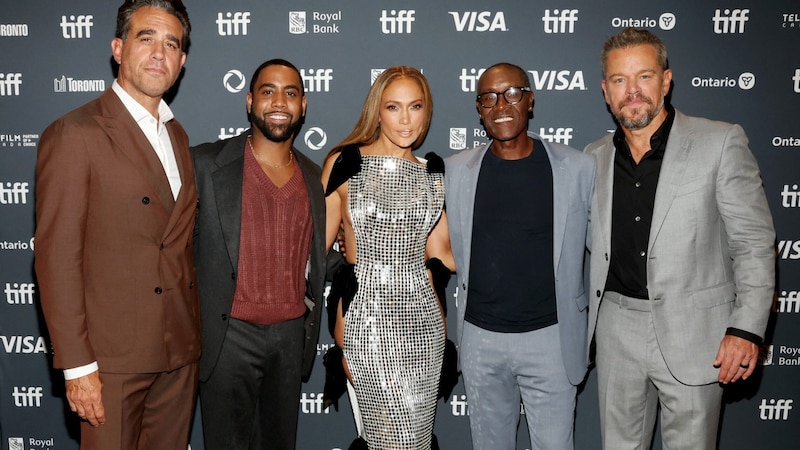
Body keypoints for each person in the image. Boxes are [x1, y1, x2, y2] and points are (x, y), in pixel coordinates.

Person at [585, 27, 776, 450]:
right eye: (620, 80)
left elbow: (753, 244)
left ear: (666, 80)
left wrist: (746, 329)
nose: (632, 91)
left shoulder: (720, 142)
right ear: (605, 91)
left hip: (697, 331)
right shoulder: (592, 157)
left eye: (644, 76)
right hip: (616, 327)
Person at [34, 1, 197, 449]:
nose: (159, 53)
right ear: (118, 48)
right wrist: (77, 367)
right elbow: (56, 257)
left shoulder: (177, 135)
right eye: (146, 38)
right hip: (110, 363)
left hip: (178, 354)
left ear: (182, 62)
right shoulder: (76, 132)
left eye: (172, 44)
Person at [445, 62, 594, 450]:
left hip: (551, 339)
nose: (501, 105)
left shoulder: (577, 168)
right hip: (480, 338)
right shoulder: (455, 171)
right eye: (489, 98)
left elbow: (604, 250)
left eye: (511, 93)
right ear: (479, 109)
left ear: (530, 100)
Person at [191, 59, 326, 449]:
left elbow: (320, 256)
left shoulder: (315, 177)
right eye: (268, 91)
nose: (279, 102)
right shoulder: (205, 164)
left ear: (303, 106)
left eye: (291, 93)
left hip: (289, 338)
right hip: (226, 336)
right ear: (250, 101)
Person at [322, 66, 453, 449]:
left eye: (415, 106)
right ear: (377, 111)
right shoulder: (345, 163)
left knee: (416, 440)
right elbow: (317, 245)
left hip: (424, 328)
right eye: (393, 107)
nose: (405, 118)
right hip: (368, 327)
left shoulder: (433, 174)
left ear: (426, 111)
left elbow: (443, 256)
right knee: (385, 439)